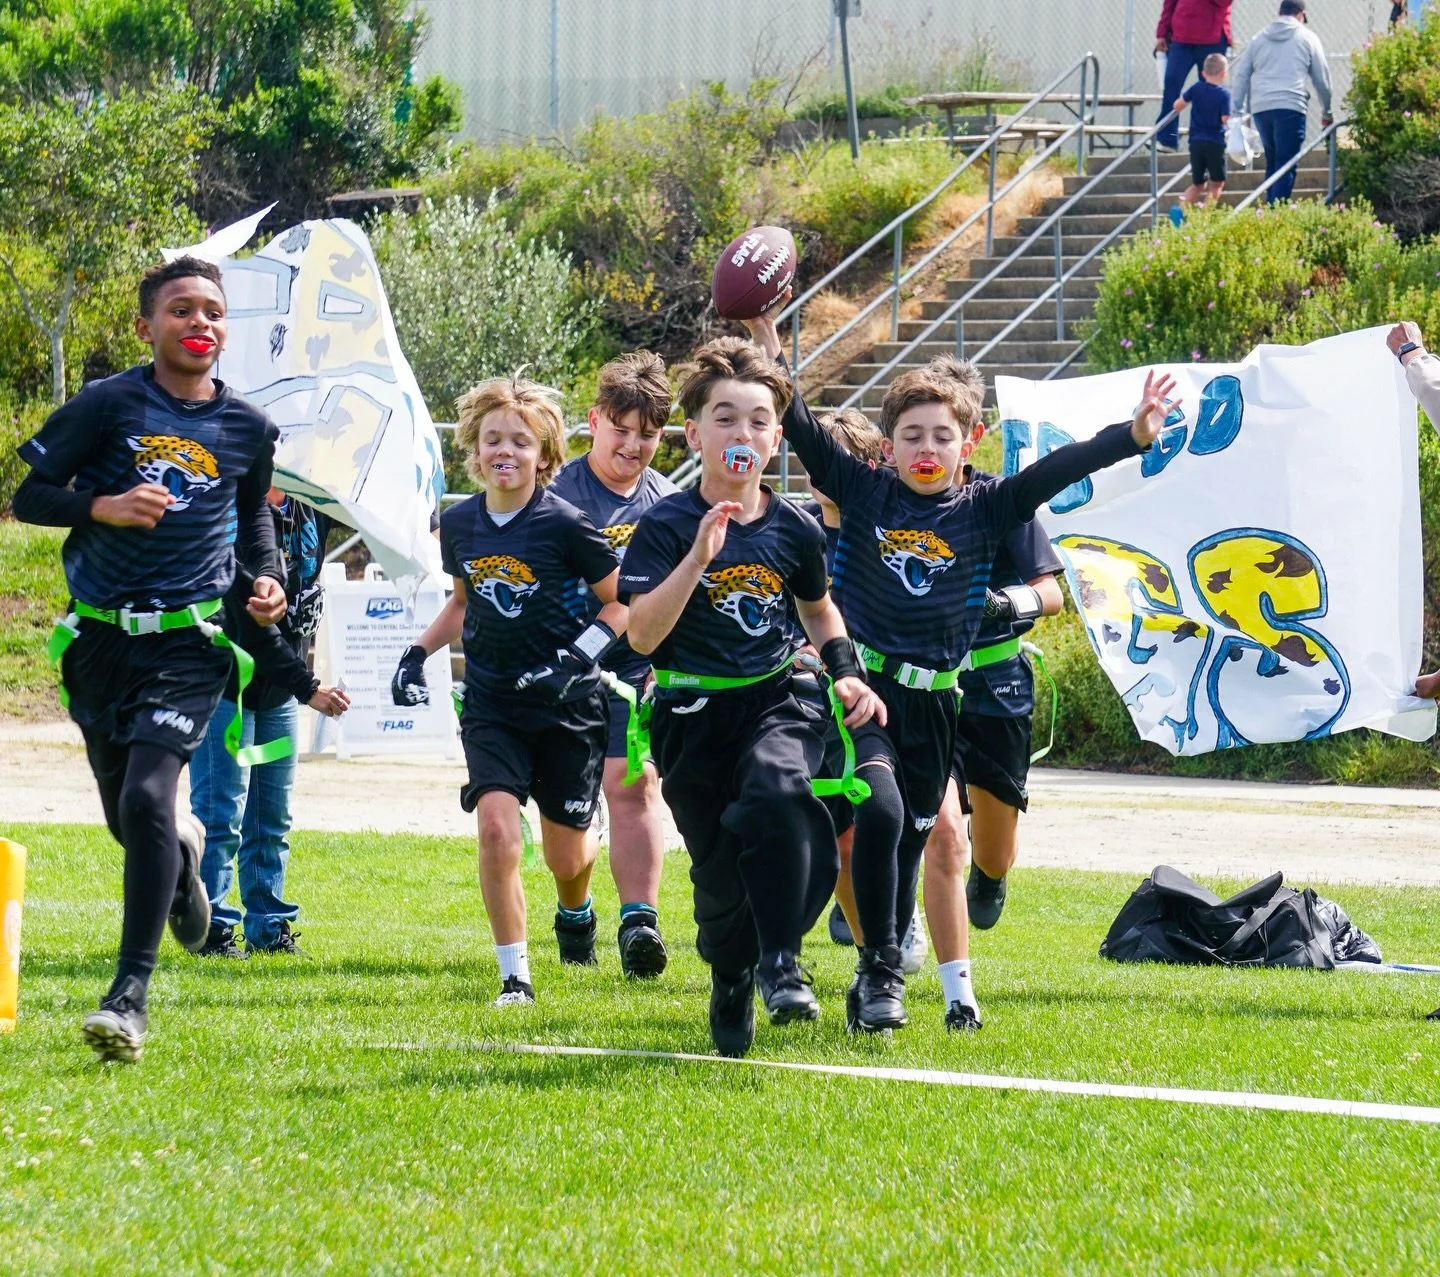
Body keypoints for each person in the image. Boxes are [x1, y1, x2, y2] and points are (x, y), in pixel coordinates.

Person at [746, 304, 1174, 1033]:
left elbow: (1059, 468)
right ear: (888, 445)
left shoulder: (986, 506)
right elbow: (805, 429)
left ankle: (880, 971)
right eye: (910, 434)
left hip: (939, 705)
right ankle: (882, 972)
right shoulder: (867, 491)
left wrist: (1131, 437)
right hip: (865, 693)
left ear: (968, 441)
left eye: (941, 436)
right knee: (878, 812)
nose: (925, 447)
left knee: (913, 841)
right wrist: (769, 347)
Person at [11, 256, 288, 1062]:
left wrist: (265, 579)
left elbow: (254, 523)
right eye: (180, 310)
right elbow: (27, 497)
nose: (199, 323)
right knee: (127, 817)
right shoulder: (107, 404)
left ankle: (128, 997)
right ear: (146, 326)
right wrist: (103, 505)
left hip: (189, 642)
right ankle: (183, 862)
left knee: (145, 795)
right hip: (97, 639)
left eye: (212, 311)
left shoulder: (249, 429)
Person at [619, 337, 884, 1058]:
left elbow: (820, 608)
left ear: (777, 436)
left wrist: (845, 669)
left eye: (759, 421)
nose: (743, 435)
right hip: (691, 715)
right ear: (695, 432)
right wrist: (696, 560)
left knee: (780, 797)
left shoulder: (794, 526)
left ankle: (781, 959)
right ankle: (732, 971)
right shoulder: (666, 524)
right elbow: (641, 635)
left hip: (776, 698)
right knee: (717, 874)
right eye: (726, 419)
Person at [390, 375, 626, 1007]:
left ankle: (576, 910)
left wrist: (574, 661)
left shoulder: (568, 524)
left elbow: (619, 609)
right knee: (497, 829)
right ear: (473, 449)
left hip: (566, 708)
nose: (505, 450)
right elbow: (464, 604)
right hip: (492, 702)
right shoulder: (460, 521)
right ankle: (515, 978)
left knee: (565, 857)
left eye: (520, 441)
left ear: (544, 455)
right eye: (493, 438)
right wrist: (416, 653)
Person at [548, 352, 677, 978]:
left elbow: (670, 602)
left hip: (630, 672)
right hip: (557, 672)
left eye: (647, 435)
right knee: (567, 824)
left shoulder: (671, 506)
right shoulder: (553, 499)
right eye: (620, 429)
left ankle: (639, 923)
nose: (632, 444)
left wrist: (662, 666)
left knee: (634, 786)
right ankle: (575, 912)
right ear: (594, 422)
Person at [189, 488, 352, 959]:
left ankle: (269, 927)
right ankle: (211, 928)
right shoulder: (231, 514)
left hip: (278, 695)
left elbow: (376, 509)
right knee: (221, 816)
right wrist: (310, 689)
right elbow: (253, 627)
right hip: (226, 687)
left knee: (270, 817)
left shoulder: (311, 507)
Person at [1230, 0, 1333, 204]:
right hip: (1290, 106)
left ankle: (1269, 211)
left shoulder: (1258, 39)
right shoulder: (1307, 37)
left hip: (1261, 108)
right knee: (1286, 164)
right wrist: (1326, 111)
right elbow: (1321, 80)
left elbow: (1241, 75)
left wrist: (1236, 110)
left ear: (1279, 12)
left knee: (1273, 163)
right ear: (1301, 14)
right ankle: (1275, 214)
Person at [1154, 0, 1233, 151]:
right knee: (1171, 83)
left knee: (1211, 91)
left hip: (1212, 36)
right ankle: (1167, 139)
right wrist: (1162, 33)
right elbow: (1170, 3)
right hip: (1181, 36)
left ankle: (1210, 140)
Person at [1175, 53, 1232, 208]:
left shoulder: (1196, 88)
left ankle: (1179, 211)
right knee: (1217, 183)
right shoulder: (1224, 94)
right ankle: (1204, 218)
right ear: (1223, 74)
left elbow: (1178, 105)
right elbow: (1225, 119)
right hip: (1215, 142)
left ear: (1203, 73)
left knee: (1198, 184)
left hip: (1196, 141)